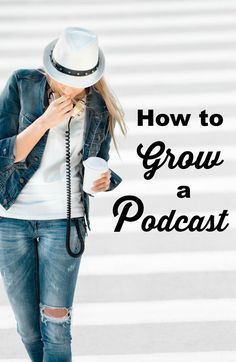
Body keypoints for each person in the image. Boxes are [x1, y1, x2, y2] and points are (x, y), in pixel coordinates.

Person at [0, 26, 127, 361]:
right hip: (11, 221)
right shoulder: (23, 84)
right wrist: (44, 121)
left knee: (56, 325)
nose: (71, 88)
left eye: (79, 83)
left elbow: (99, 164)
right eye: (63, 79)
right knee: (28, 327)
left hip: (64, 221)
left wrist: (104, 181)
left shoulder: (98, 106)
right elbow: (2, 155)